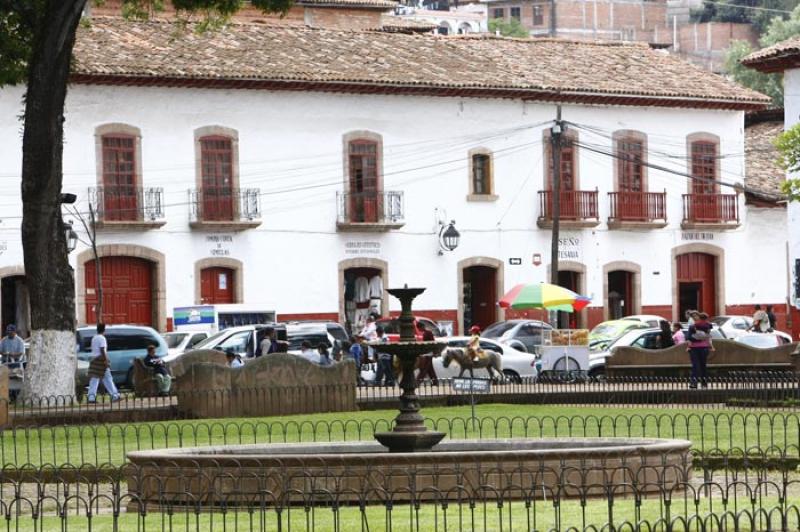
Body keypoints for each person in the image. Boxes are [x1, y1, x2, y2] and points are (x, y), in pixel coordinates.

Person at [87, 323, 120, 403]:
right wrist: (106, 360)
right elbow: (102, 349)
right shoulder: (102, 338)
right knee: (108, 379)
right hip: (101, 360)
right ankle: (114, 396)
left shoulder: (94, 338)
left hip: (94, 360)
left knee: (95, 379)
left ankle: (91, 398)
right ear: (104, 330)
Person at [686, 312, 714, 389]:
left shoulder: (692, 326)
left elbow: (688, 338)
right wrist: (711, 346)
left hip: (694, 348)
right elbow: (708, 337)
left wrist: (689, 346)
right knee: (703, 366)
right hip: (704, 348)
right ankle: (704, 383)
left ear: (699, 317)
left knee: (695, 366)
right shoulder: (708, 326)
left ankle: (693, 383)